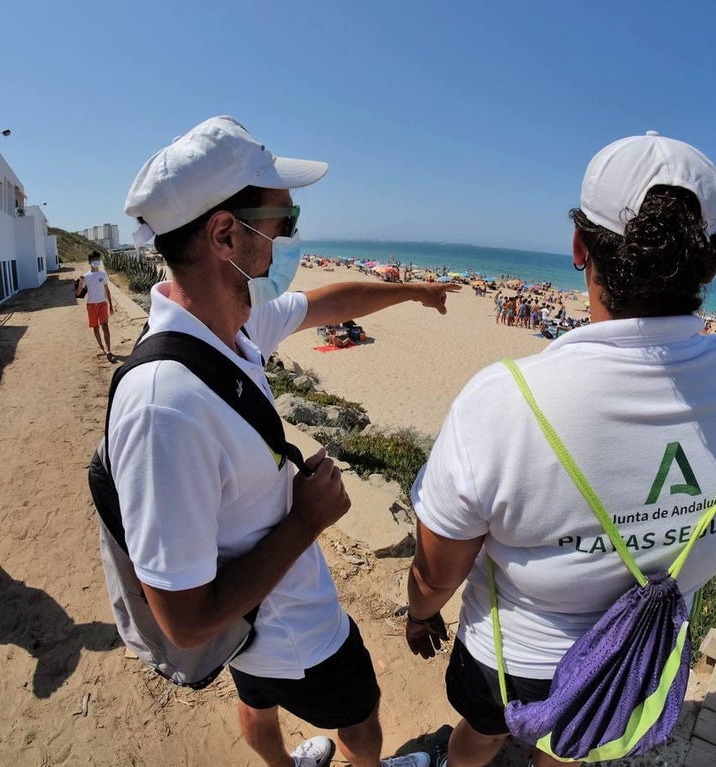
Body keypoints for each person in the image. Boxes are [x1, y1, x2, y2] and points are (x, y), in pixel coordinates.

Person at [404, 131, 716, 767]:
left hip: (512, 656)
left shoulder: (504, 399)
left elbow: (437, 572)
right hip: (637, 659)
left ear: (579, 246)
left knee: (480, 735)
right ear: (711, 262)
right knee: (573, 750)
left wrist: (418, 614)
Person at [118, 116, 457, 767]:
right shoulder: (167, 402)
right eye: (283, 221)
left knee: (255, 703)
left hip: (253, 634)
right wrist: (307, 520)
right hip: (298, 631)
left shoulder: (227, 329)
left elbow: (324, 303)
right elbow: (184, 622)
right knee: (360, 718)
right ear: (224, 234)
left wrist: (413, 291)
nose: (291, 238)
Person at [76, 255, 116, 362]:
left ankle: (108, 350)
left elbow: (107, 290)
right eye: (93, 260)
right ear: (90, 262)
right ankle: (102, 348)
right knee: (95, 328)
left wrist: (111, 306)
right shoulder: (86, 276)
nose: (96, 262)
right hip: (91, 305)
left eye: (97, 260)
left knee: (105, 326)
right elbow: (78, 293)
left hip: (103, 303)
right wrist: (80, 283)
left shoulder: (103, 274)